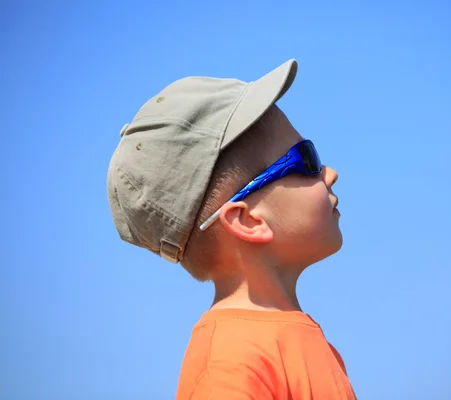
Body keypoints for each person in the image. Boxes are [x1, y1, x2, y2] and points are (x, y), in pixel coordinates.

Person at [107, 59, 355, 399]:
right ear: (247, 220)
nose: (330, 172)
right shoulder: (229, 368)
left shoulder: (293, 337)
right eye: (307, 160)